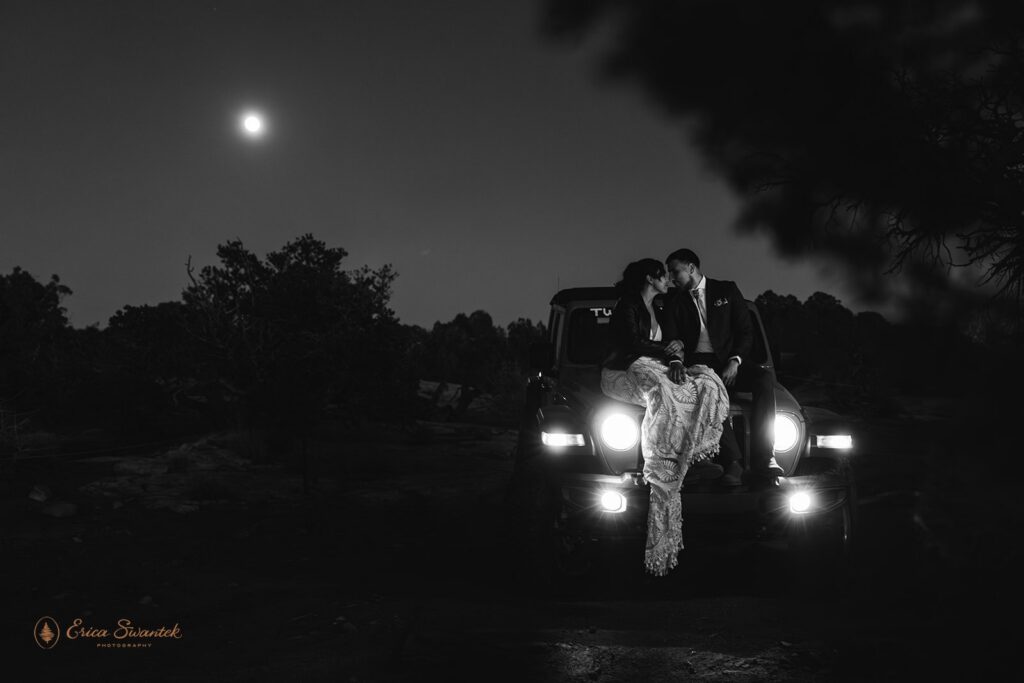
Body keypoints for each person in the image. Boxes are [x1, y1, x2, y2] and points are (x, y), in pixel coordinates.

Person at [600, 258, 730, 576]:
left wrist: (675, 351)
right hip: (623, 370)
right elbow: (632, 344)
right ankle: (663, 469)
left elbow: (667, 343)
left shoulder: (658, 307)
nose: (668, 281)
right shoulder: (627, 305)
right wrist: (666, 353)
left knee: (700, 383)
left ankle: (690, 457)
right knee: (665, 394)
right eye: (663, 276)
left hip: (651, 364)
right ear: (651, 278)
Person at [662, 248, 784, 485]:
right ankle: (733, 463)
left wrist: (735, 360)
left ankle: (765, 457)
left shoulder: (726, 290)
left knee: (764, 380)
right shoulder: (673, 300)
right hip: (696, 365)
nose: (671, 278)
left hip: (730, 361)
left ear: (691, 268)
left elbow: (745, 331)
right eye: (668, 273)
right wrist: (676, 361)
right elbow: (670, 336)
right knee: (710, 394)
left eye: (674, 271)